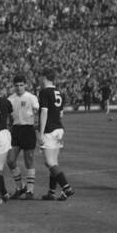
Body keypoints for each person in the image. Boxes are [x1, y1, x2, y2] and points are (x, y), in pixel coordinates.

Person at [38, 69, 74, 200]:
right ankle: (51, 192)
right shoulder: (59, 92)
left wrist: (41, 132)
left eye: (41, 78)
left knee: (49, 162)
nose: (39, 80)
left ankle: (66, 187)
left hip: (49, 129)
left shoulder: (44, 92)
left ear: (45, 78)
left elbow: (44, 112)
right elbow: (61, 114)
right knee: (54, 161)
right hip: (59, 128)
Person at [7, 74, 40, 199]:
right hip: (15, 130)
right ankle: (21, 187)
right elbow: (9, 117)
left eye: (21, 85)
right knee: (10, 160)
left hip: (28, 130)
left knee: (29, 160)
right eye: (17, 85)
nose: (19, 88)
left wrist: (38, 128)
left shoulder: (31, 98)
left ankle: (30, 191)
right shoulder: (10, 99)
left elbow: (37, 113)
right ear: (13, 86)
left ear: (25, 85)